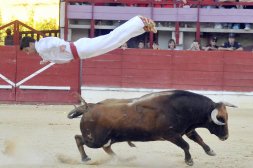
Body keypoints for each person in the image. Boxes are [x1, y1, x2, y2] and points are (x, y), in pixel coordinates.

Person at [20, 16, 157, 64]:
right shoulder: (41, 50)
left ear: (31, 43)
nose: (28, 52)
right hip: (81, 52)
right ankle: (142, 28)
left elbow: (54, 41)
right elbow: (55, 52)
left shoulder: (40, 46)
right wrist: (48, 59)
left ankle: (138, 21)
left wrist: (61, 45)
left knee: (112, 39)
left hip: (80, 49)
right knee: (115, 42)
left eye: (27, 50)